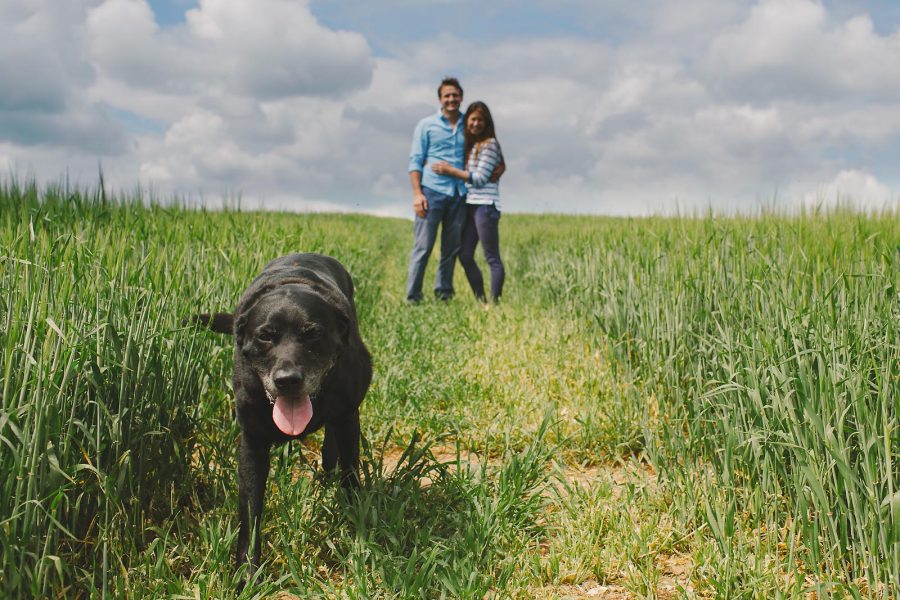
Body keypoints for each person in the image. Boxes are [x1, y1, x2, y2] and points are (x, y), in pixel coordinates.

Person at [431, 101, 505, 303]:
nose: (475, 123)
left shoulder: (489, 145)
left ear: (487, 122)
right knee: (464, 254)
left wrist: (450, 171)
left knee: (492, 257)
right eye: (472, 119)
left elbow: (480, 178)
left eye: (480, 119)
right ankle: (481, 301)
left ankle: (495, 303)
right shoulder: (473, 146)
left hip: (485, 206)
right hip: (471, 205)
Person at [405, 77, 468, 303]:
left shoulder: (468, 125)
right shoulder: (426, 125)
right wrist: (417, 194)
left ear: (461, 96)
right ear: (440, 99)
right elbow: (415, 161)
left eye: (455, 95)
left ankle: (444, 294)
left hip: (459, 195)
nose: (451, 99)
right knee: (423, 247)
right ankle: (413, 296)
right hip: (431, 192)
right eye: (446, 96)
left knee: (450, 249)